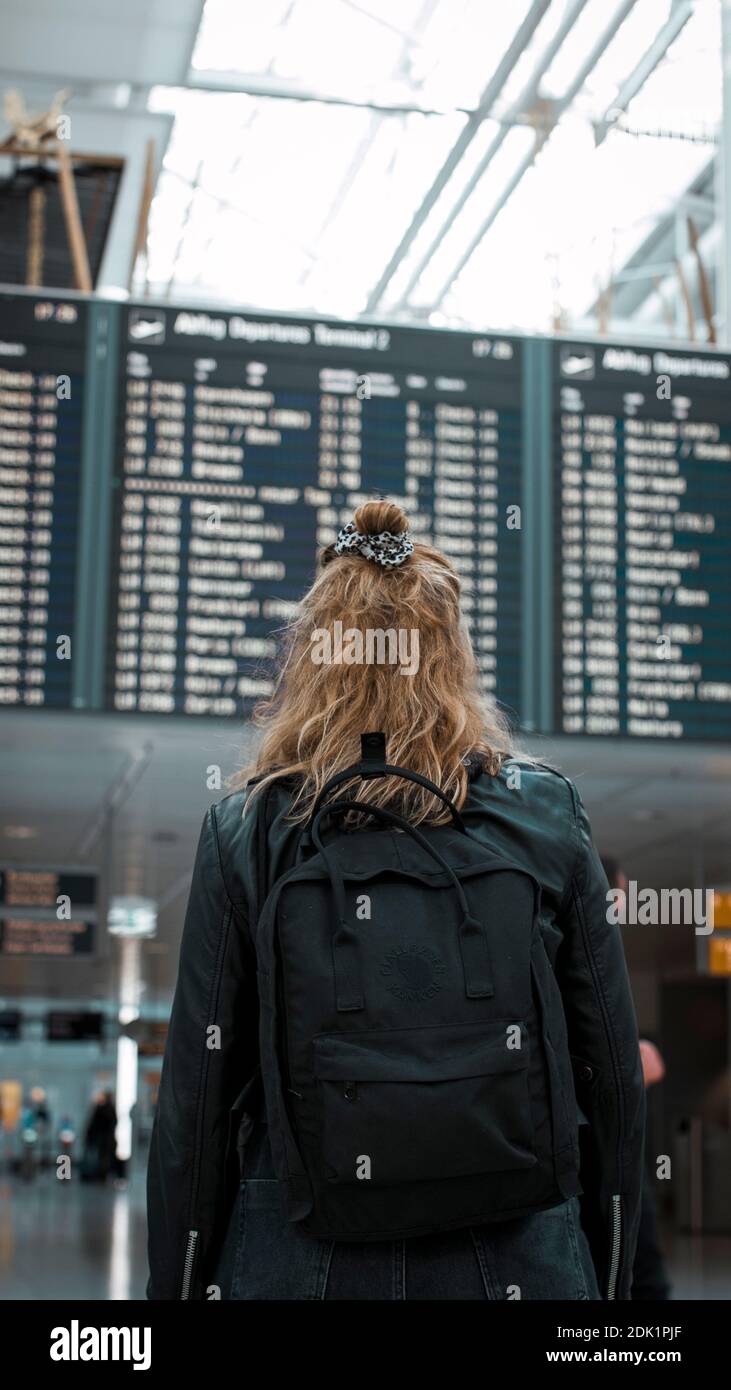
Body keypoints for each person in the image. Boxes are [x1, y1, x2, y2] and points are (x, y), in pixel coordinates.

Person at [147, 500, 645, 1301]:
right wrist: (608, 1281)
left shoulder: (251, 827)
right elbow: (612, 1078)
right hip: (517, 1246)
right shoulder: (543, 811)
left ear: (312, 656)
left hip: (300, 1246)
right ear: (452, 654)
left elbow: (195, 1109)